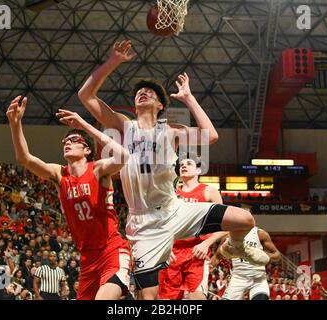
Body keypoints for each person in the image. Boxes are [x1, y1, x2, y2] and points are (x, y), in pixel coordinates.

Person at [76, 39, 269, 299]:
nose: (143, 93)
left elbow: (211, 135)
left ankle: (235, 246)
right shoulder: (124, 126)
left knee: (245, 219)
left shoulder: (170, 132)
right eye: (139, 93)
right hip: (143, 222)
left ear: (160, 106)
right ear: (134, 106)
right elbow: (85, 96)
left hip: (174, 209)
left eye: (150, 93)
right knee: (150, 298)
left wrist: (189, 98)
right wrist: (113, 61)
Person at [6, 96, 131, 300]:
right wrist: (15, 124)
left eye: (74, 141)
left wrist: (84, 125)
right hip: (88, 257)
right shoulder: (59, 174)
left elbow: (124, 156)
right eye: (66, 141)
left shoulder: (98, 169)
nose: (67, 143)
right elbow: (24, 158)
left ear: (87, 150)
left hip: (112, 249)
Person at [158, 155, 227, 300]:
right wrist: (165, 246)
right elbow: (160, 222)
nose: (183, 166)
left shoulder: (209, 191)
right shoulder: (171, 193)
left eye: (189, 163)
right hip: (172, 253)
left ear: (198, 170)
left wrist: (206, 243)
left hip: (197, 254)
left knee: (197, 299)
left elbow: (226, 226)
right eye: (181, 164)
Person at [211, 227, 281, 300]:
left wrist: (261, 255)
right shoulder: (228, 236)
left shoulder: (260, 233)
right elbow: (217, 256)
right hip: (238, 279)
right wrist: (208, 267)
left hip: (258, 279)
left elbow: (277, 255)